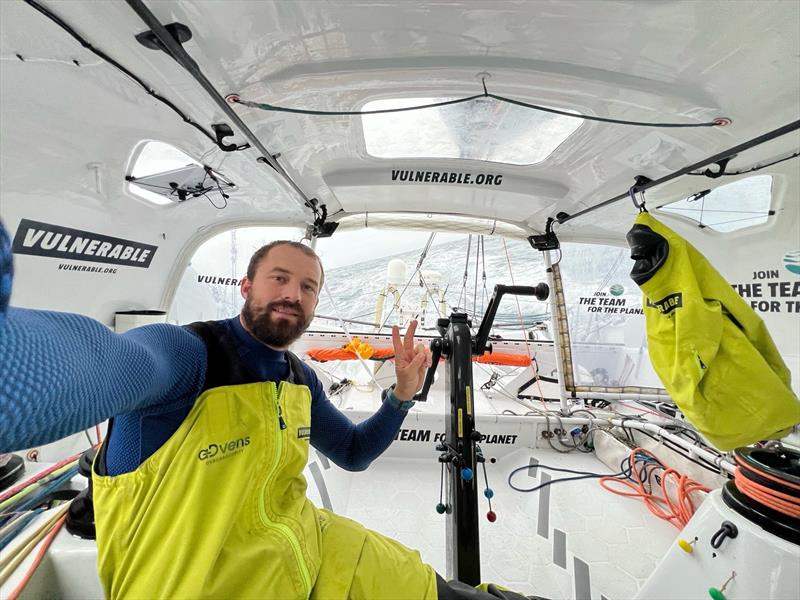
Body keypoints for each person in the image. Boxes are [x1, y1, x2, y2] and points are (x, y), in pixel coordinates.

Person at [0, 221, 539, 599]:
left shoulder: (297, 377)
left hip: (313, 554)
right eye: (279, 278)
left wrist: (400, 395)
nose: (293, 294)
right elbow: (98, 363)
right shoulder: (189, 357)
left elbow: (353, 453)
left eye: (308, 287)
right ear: (247, 286)